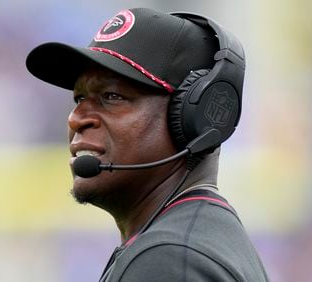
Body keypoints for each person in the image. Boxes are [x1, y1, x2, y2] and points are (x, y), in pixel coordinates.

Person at [26, 7, 268, 282]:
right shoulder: (196, 239)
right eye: (79, 98)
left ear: (194, 118)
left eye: (112, 96)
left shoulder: (168, 259)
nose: (76, 118)